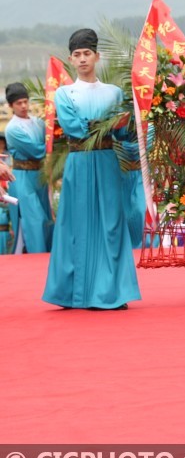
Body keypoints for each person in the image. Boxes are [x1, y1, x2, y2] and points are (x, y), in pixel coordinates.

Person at [42, 28, 140, 310]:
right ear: (71, 59)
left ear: (98, 56)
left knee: (112, 224)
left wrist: (139, 121)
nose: (83, 59)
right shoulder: (64, 93)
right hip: (79, 164)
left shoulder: (114, 93)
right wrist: (111, 124)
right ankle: (75, 292)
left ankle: (113, 292)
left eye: (87, 53)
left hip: (108, 162)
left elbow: (124, 134)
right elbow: (76, 129)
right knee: (77, 224)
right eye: (77, 54)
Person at [4, 82, 54, 253]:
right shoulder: (12, 129)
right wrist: (53, 145)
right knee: (34, 220)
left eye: (26, 101)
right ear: (11, 106)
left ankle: (48, 255)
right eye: (19, 103)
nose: (24, 106)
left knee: (47, 218)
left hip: (40, 175)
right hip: (22, 177)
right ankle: (35, 256)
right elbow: (37, 150)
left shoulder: (39, 123)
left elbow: (50, 137)